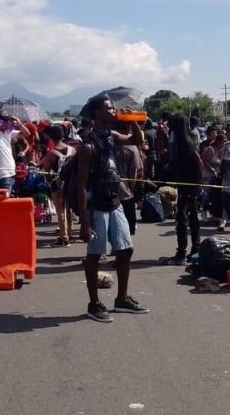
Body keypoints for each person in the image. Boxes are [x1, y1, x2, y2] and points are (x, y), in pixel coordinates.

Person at [77, 94, 148, 323]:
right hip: (96, 206)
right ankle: (94, 303)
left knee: (126, 250)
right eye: (108, 109)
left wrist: (132, 119)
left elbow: (136, 140)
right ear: (97, 113)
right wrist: (85, 223)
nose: (112, 111)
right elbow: (81, 185)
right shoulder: (88, 145)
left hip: (114, 201)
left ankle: (121, 299)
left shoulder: (111, 135)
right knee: (95, 256)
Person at [163, 113, 204, 264]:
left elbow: (199, 164)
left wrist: (196, 187)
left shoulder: (187, 142)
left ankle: (182, 253)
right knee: (192, 218)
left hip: (190, 186)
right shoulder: (179, 141)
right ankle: (195, 250)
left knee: (182, 218)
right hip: (184, 184)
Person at [39, 125, 76, 246]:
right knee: (69, 209)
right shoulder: (72, 150)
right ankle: (70, 233)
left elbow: (46, 170)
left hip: (57, 184)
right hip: (71, 184)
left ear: (51, 137)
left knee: (60, 210)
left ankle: (64, 237)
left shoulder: (52, 153)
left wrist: (50, 181)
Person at [0, 109, 31, 196]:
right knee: (3, 205)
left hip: (12, 173)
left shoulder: (8, 133)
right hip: (3, 175)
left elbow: (27, 133)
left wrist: (18, 122)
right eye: (5, 121)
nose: (8, 123)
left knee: (9, 202)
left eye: (8, 120)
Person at [115, 132, 144, 237]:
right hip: (124, 189)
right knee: (125, 222)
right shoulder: (132, 148)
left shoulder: (106, 142)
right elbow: (134, 173)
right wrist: (131, 188)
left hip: (104, 189)